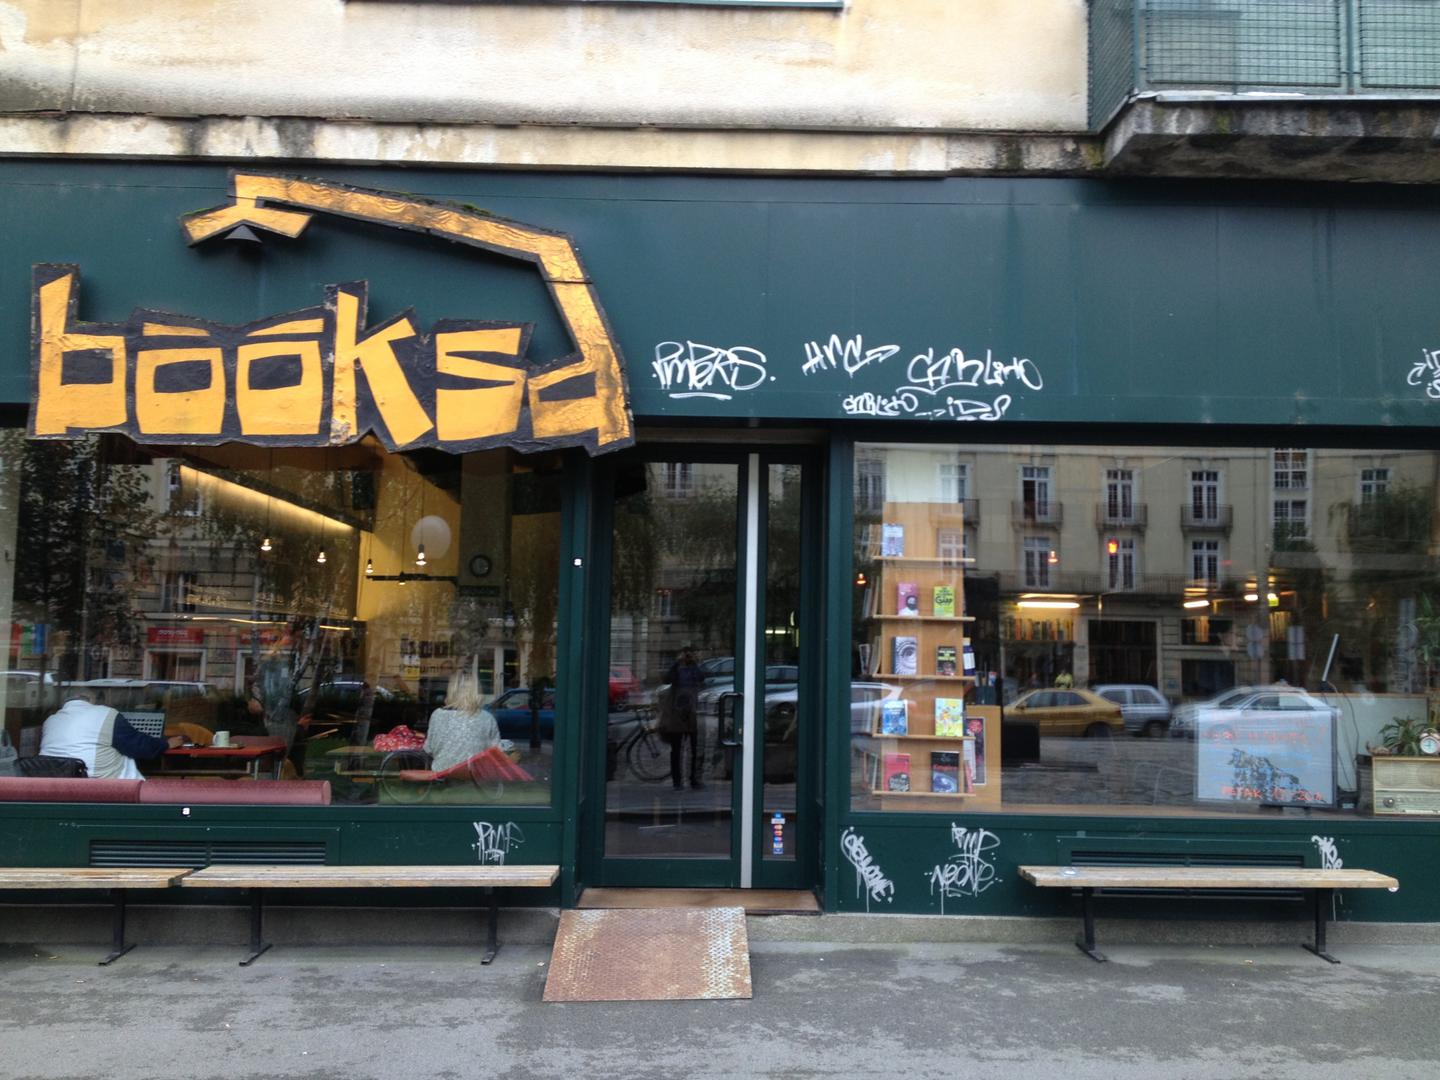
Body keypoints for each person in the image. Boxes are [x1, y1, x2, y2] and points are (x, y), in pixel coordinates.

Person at [39, 692, 178, 780]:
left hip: (55, 783)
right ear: (91, 700)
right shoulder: (106, 714)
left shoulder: (50, 720)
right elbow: (138, 746)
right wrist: (166, 744)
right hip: (99, 783)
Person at [424, 660, 501, 773]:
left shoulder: (437, 715)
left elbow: (429, 749)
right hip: (474, 775)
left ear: (451, 690)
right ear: (476, 692)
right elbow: (496, 752)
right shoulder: (487, 718)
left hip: (442, 774)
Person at [661, 647, 705, 790]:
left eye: (689, 654)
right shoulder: (676, 668)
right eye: (685, 654)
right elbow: (667, 679)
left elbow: (701, 678)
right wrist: (676, 663)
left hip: (691, 712)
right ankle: (677, 780)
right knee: (676, 749)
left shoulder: (694, 668)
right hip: (677, 713)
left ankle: (693, 778)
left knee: (694, 749)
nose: (687, 656)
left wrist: (694, 663)